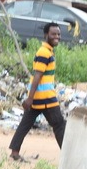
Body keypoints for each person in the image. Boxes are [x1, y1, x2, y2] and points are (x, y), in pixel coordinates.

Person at [9, 22, 67, 161]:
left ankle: (15, 151)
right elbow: (37, 76)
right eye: (53, 34)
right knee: (59, 124)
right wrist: (29, 98)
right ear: (46, 35)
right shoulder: (44, 52)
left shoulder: (47, 51)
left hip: (37, 97)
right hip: (45, 98)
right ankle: (67, 155)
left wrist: (31, 98)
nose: (56, 37)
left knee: (26, 123)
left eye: (58, 34)